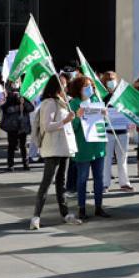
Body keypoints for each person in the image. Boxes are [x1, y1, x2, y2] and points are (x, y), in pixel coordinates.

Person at [30, 76, 82, 229]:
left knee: (61, 182)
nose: (66, 89)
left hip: (64, 147)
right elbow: (47, 126)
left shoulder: (62, 103)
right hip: (53, 147)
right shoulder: (49, 103)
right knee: (47, 182)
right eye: (64, 86)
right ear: (57, 88)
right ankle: (36, 216)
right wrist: (66, 120)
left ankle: (65, 213)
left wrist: (73, 118)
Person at [69, 75, 109, 220]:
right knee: (82, 179)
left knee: (99, 178)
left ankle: (99, 207)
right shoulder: (74, 104)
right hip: (83, 147)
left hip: (98, 146)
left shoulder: (96, 101)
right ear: (78, 89)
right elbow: (71, 128)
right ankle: (82, 209)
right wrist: (77, 117)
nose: (89, 88)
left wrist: (104, 116)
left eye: (91, 86)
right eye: (86, 86)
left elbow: (102, 125)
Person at [99, 71, 133, 192]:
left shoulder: (121, 95)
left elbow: (128, 110)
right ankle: (104, 184)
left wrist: (131, 123)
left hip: (123, 131)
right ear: (104, 82)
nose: (111, 82)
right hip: (108, 132)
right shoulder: (101, 96)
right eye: (108, 80)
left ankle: (124, 183)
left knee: (122, 158)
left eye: (113, 79)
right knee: (107, 159)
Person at [0, 80, 33, 171]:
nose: (15, 84)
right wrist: (17, 107)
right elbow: (5, 109)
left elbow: (31, 108)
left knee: (23, 145)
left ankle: (25, 164)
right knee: (11, 145)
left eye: (17, 81)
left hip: (23, 125)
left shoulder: (25, 94)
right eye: (14, 82)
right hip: (12, 125)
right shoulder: (7, 95)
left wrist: (24, 103)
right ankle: (10, 165)